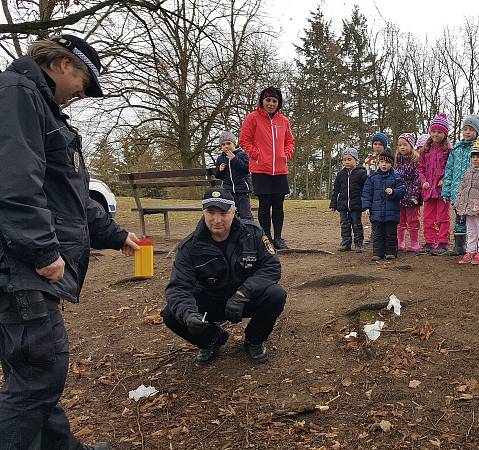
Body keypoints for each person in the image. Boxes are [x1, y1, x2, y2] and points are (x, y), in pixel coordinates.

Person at [0, 35, 140, 450]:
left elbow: (70, 197)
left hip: (24, 268)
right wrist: (41, 251)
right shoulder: (18, 95)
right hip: (20, 269)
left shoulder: (42, 108)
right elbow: (14, 183)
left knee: (32, 373)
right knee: (39, 375)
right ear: (62, 64)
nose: (83, 93)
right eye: (83, 79)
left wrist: (115, 235)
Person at [161, 188, 286, 365]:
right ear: (203, 212)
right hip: (210, 302)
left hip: (244, 299)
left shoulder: (253, 233)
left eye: (224, 213)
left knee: (276, 295)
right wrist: (189, 315)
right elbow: (178, 288)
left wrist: (243, 294)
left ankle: (254, 340)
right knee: (171, 314)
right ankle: (211, 339)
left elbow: (271, 267)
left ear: (234, 212)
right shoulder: (189, 247)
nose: (217, 219)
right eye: (211, 212)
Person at [240, 86, 295, 250]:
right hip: (260, 169)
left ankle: (278, 238)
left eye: (274, 101)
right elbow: (244, 140)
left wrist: (286, 154)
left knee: (278, 205)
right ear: (262, 101)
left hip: (279, 169)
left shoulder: (283, 121)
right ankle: (267, 239)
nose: (271, 104)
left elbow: (290, 142)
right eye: (268, 100)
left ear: (279, 103)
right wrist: (256, 154)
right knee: (264, 205)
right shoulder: (252, 118)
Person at [442, 115, 479, 256]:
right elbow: (449, 171)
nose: (467, 132)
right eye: (465, 129)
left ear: (477, 132)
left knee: (472, 219)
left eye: (471, 129)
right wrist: (446, 191)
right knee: (459, 218)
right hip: (457, 191)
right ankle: (459, 247)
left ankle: (474, 247)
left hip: (473, 191)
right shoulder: (456, 150)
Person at [361, 149, 406, 261]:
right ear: (378, 163)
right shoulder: (372, 177)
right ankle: (377, 252)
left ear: (392, 164)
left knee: (390, 234)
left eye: (387, 162)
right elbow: (367, 192)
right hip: (376, 213)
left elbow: (402, 190)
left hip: (391, 213)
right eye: (382, 162)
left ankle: (391, 252)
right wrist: (366, 206)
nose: (384, 164)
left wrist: (394, 192)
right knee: (377, 234)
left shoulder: (396, 177)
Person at [417, 113, 452, 255]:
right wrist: (423, 181)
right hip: (428, 190)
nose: (436, 134)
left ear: (445, 133)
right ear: (430, 132)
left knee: (443, 217)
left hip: (442, 190)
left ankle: (443, 242)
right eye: (433, 131)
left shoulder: (449, 150)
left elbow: (451, 167)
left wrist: (445, 179)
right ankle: (430, 241)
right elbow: (420, 168)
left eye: (439, 132)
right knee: (428, 217)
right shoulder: (424, 150)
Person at [329, 148, 367, 252]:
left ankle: (359, 244)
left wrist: (366, 204)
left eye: (349, 159)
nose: (347, 162)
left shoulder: (362, 173)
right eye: (344, 160)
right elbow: (336, 190)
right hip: (343, 205)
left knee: (357, 224)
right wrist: (333, 204)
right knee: (344, 225)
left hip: (356, 205)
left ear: (356, 160)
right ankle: (346, 243)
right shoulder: (340, 174)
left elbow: (366, 190)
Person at [214, 131, 253, 219]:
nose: (226, 146)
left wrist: (234, 159)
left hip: (242, 189)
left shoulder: (242, 155)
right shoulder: (220, 158)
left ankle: (249, 230)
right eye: (223, 144)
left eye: (228, 143)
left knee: (245, 214)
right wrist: (220, 170)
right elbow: (218, 175)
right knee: (230, 214)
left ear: (234, 144)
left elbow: (246, 169)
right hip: (228, 191)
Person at [394, 133, 422, 252]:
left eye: (405, 144)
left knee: (413, 220)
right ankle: (400, 242)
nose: (402, 147)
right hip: (399, 196)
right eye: (400, 145)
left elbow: (417, 179)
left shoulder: (415, 161)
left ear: (411, 145)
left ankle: (414, 243)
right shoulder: (396, 162)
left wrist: (415, 194)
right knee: (400, 221)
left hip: (412, 197)